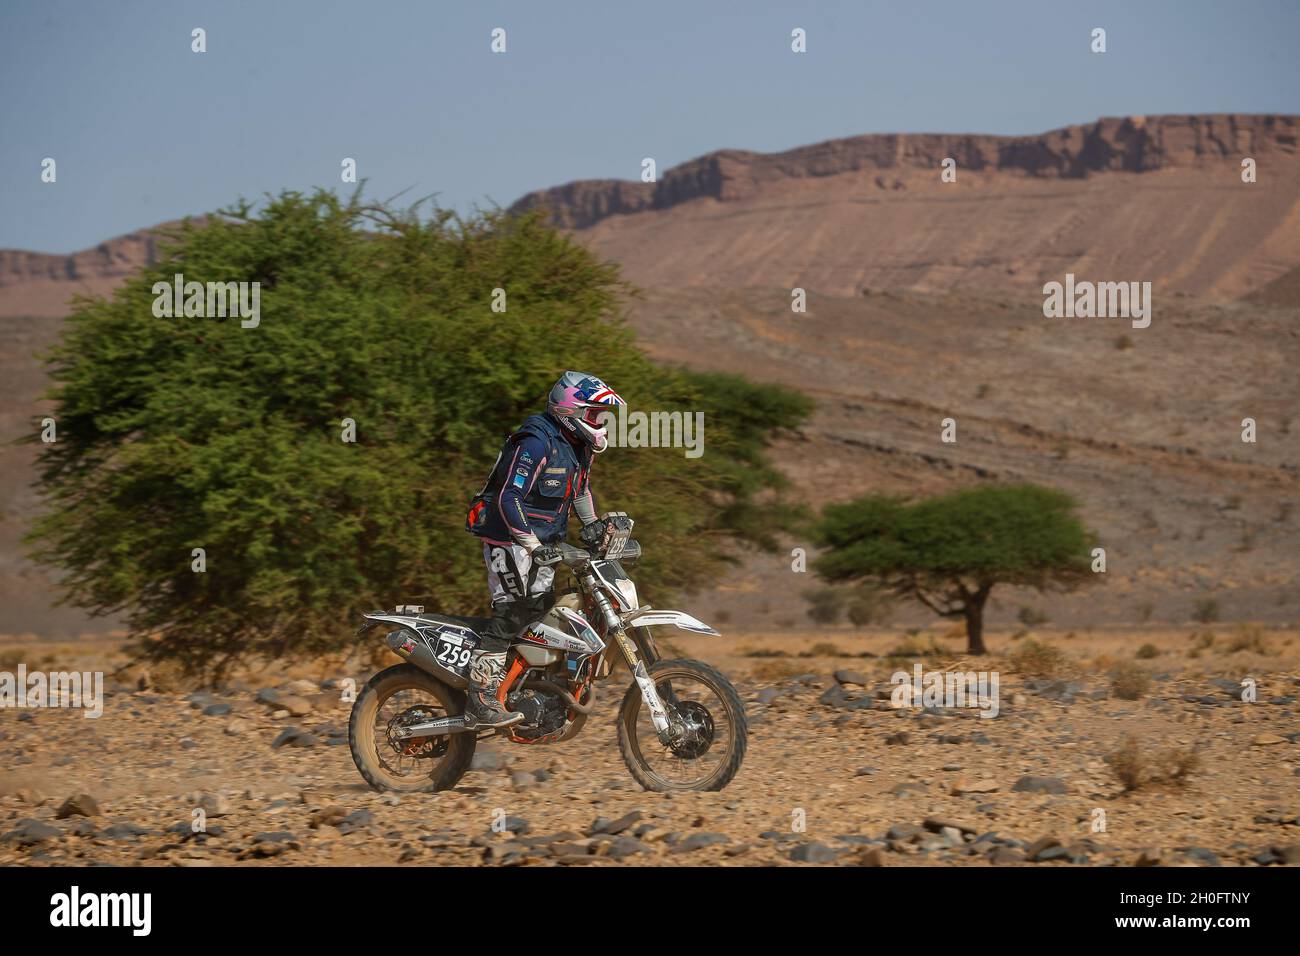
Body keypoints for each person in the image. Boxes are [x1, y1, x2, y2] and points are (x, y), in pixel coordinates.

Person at [462, 371, 625, 727]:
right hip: (509, 539)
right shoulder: (536, 442)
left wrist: (593, 526)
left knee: (545, 610)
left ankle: (527, 686)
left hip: (544, 542)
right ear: (572, 410)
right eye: (594, 415)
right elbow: (509, 497)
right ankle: (481, 695)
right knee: (514, 611)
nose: (600, 423)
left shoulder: (579, 447)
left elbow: (579, 491)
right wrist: (532, 546)